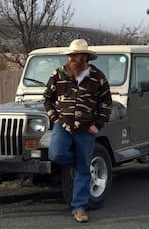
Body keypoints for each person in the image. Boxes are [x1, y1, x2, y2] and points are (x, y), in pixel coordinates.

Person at [44, 39, 112, 223]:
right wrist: (55, 118)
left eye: (74, 55)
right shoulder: (59, 74)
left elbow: (106, 104)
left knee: (84, 169)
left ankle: (79, 208)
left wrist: (97, 125)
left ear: (85, 57)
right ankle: (77, 160)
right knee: (56, 154)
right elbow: (47, 98)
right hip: (63, 126)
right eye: (70, 55)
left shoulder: (98, 77)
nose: (71, 58)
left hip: (85, 129)